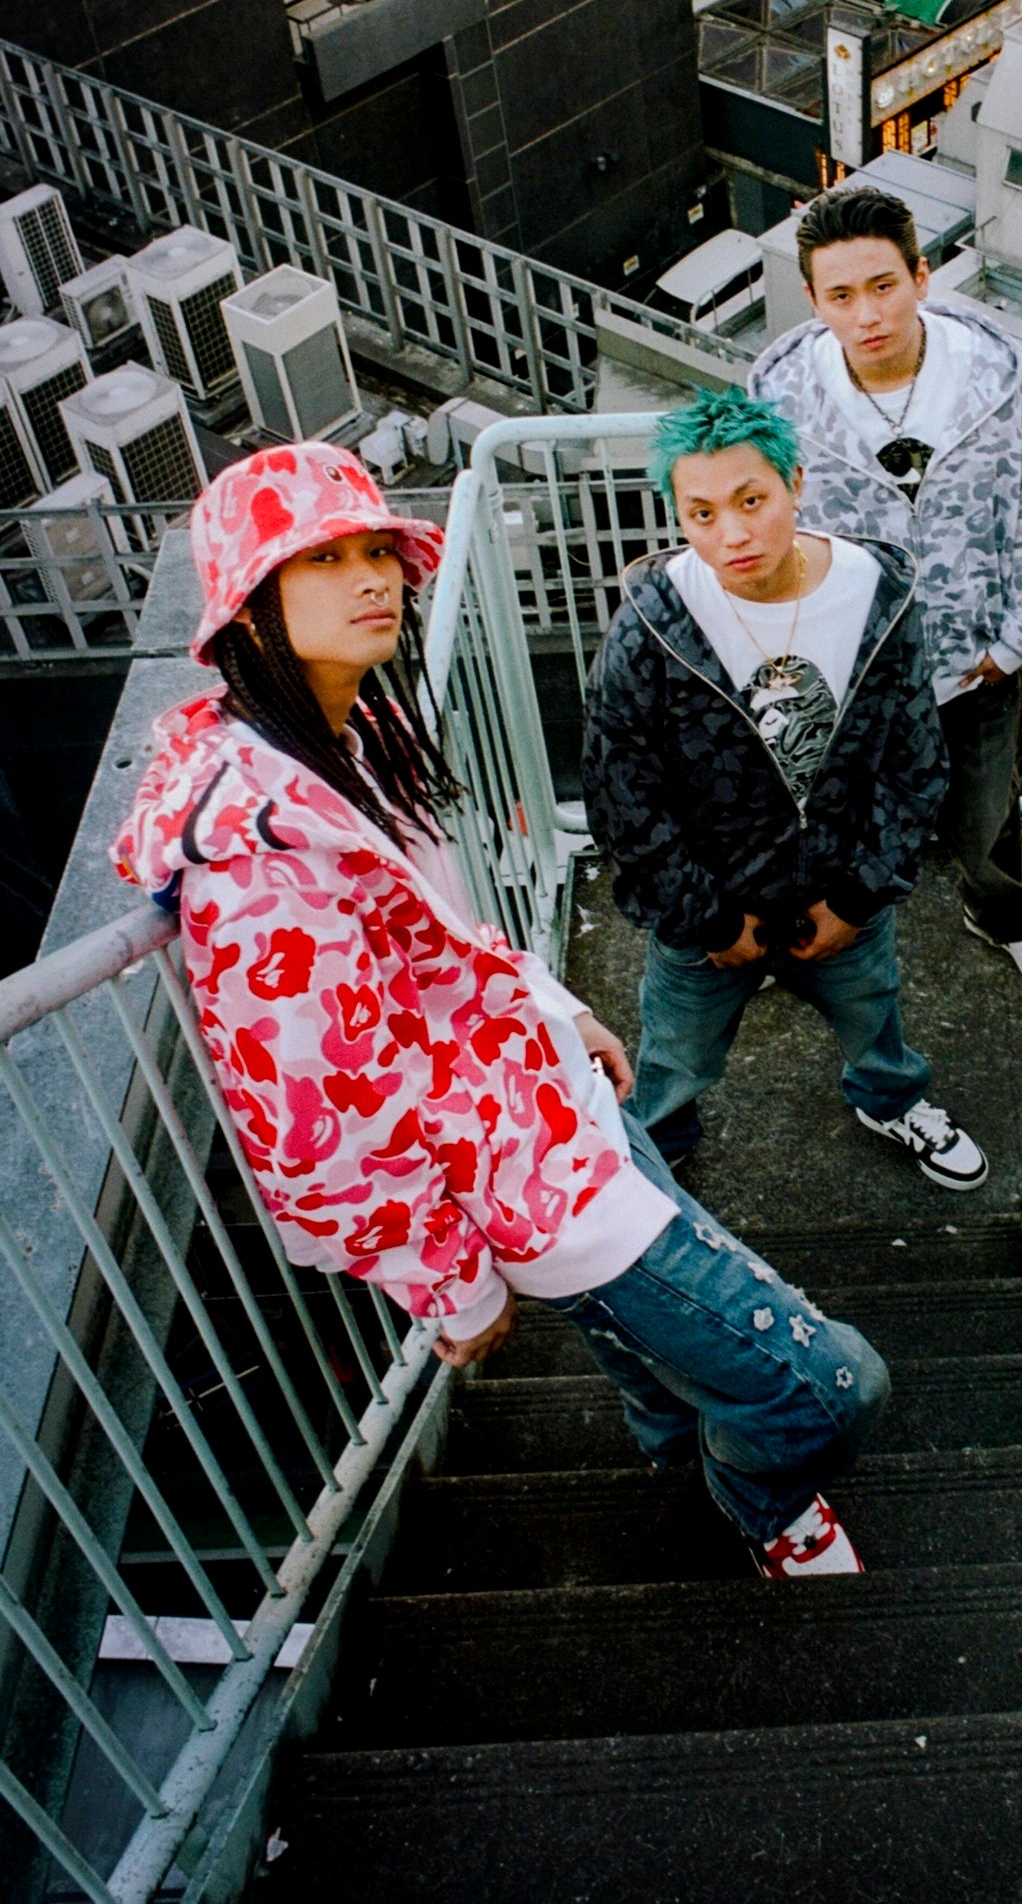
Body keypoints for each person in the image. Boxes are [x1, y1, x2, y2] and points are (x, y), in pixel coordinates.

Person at [114, 443, 886, 1578]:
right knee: (831, 1384)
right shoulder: (258, 856)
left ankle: (684, 1456)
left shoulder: (342, 741)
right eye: (322, 559)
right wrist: (449, 1283)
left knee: (659, 1349)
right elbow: (311, 1120)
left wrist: (554, 1010)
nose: (372, 577)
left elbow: (437, 942)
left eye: (376, 549)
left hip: (538, 1104)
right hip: (525, 1180)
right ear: (249, 603)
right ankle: (756, 1500)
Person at [581, 387, 987, 1191]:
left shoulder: (875, 594)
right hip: (711, 903)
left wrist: (859, 898)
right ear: (678, 516)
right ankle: (656, 1146)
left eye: (751, 501)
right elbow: (621, 789)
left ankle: (890, 1099)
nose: (731, 535)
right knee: (676, 1051)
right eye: (701, 515)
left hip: (838, 885)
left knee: (873, 1013)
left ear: (795, 483)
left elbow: (914, 758)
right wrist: (706, 918)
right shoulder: (655, 622)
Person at [749, 185, 1022, 992]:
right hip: (848, 666)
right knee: (826, 808)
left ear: (922, 277)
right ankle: (808, 931)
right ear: (813, 299)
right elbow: (769, 528)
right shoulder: (782, 398)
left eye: (884, 285)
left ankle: (1005, 916)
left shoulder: (995, 378)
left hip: (974, 662)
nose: (867, 315)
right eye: (841, 296)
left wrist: (1015, 643)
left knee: (986, 812)